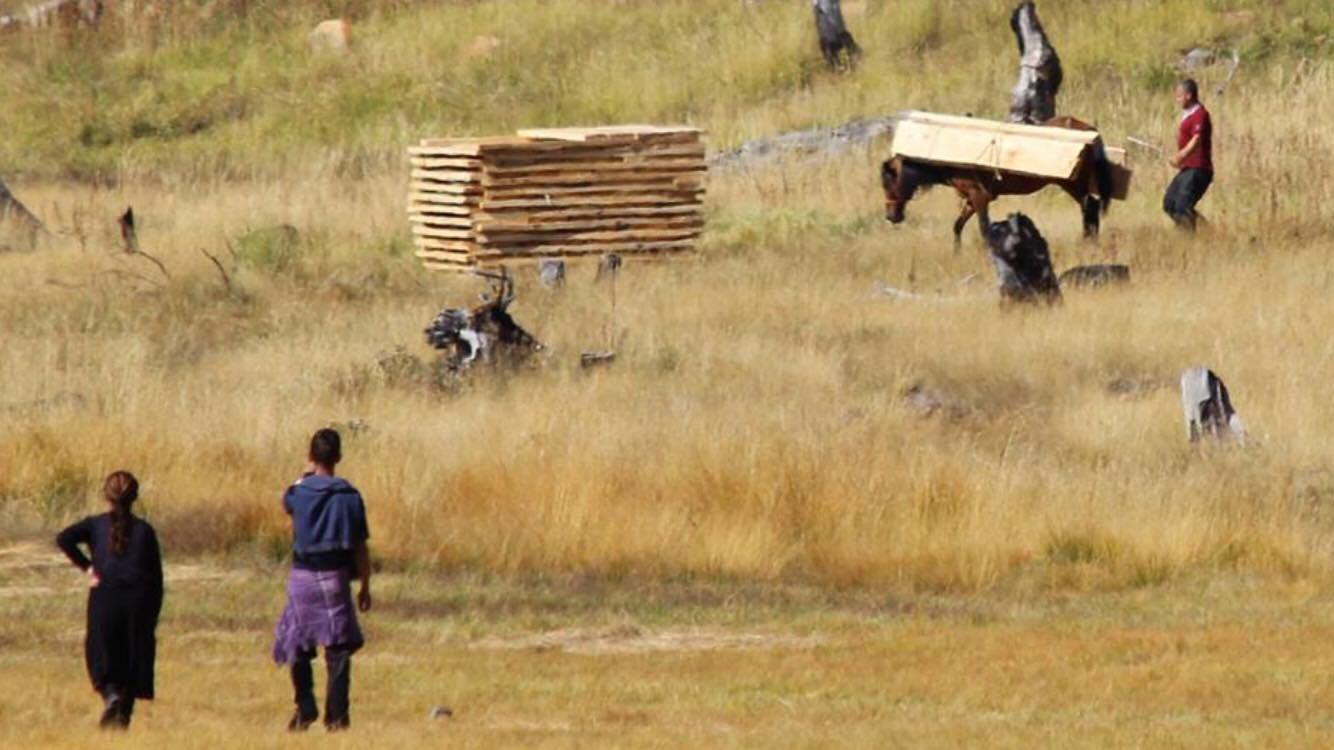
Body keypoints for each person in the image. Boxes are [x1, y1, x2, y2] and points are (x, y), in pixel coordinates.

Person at [271, 428, 372, 732]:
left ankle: (305, 707)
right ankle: (337, 716)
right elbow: (360, 547)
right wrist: (365, 585)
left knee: (297, 643)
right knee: (338, 648)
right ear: (338, 457)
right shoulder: (350, 496)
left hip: (302, 576)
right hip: (335, 577)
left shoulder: (299, 492)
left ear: (312, 456)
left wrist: (303, 475)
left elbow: (284, 502)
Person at [55, 471, 164, 730]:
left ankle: (111, 697)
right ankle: (122, 716)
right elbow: (156, 578)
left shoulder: (95, 525)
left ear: (106, 496)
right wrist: (153, 613)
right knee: (132, 657)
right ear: (135, 497)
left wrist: (88, 567)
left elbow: (64, 538)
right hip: (139, 600)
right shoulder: (145, 531)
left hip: (105, 597)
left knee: (104, 654)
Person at [1163, 78, 1214, 230]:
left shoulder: (1200, 114)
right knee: (1170, 203)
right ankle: (1206, 230)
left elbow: (1196, 139)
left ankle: (1189, 238)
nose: (1177, 100)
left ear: (1189, 95)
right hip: (1187, 168)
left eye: (1179, 96)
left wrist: (1180, 156)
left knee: (1182, 206)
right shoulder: (1188, 115)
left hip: (1198, 168)